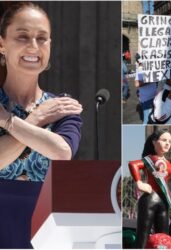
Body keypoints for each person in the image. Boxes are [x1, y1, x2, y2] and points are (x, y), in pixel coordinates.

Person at [0, 3, 83, 248]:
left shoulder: (60, 107)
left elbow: (61, 152)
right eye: (22, 36)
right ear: (2, 44)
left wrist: (7, 120)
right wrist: (36, 119)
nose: (33, 46)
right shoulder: (49, 112)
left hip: (46, 230)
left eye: (42, 38)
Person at [129, 129, 171, 248]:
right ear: (154, 142)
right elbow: (133, 164)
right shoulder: (149, 160)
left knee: (163, 237)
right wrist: (139, 182)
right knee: (143, 234)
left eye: (169, 141)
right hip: (149, 199)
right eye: (164, 140)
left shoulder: (168, 163)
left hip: (163, 201)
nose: (167, 143)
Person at [134, 60, 157, 124]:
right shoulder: (140, 69)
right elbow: (136, 84)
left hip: (155, 97)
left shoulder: (153, 67)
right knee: (147, 119)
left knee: (154, 118)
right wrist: (149, 80)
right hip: (147, 99)